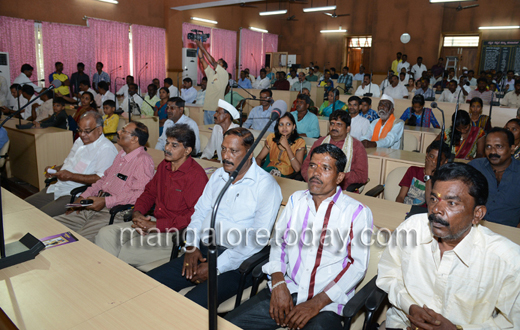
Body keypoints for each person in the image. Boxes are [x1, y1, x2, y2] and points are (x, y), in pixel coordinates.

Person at [226, 143, 372, 330]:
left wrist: (316, 303)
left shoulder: (356, 212)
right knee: (229, 324)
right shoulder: (296, 200)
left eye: (325, 168)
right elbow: (279, 243)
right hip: (289, 289)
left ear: (340, 177)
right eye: (312, 165)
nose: (315, 173)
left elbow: (357, 266)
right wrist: (278, 283)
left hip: (327, 302)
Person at [147, 127, 283, 308]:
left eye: (233, 151)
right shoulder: (219, 175)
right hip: (203, 251)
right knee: (150, 285)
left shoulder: (266, 186)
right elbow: (200, 212)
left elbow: (255, 240)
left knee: (190, 306)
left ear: (250, 153)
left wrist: (215, 267)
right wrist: (191, 245)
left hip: (236, 262)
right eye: (223, 149)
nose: (226, 156)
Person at [377, 162, 520, 330]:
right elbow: (388, 275)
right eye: (433, 199)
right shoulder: (411, 229)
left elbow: (514, 323)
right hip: (404, 323)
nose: (436, 209)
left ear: (477, 214)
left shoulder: (507, 259)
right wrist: (410, 307)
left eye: (451, 203)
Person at [95, 124, 208, 267]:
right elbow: (148, 193)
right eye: (167, 143)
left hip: (175, 232)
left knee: (126, 250)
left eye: (174, 145)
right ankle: (104, 278)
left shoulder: (196, 176)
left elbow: (193, 216)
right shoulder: (164, 166)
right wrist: (137, 213)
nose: (167, 148)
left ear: (187, 150)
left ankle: (113, 280)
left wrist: (156, 226)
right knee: (105, 235)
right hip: (154, 221)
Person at [54, 121, 155, 242]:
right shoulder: (121, 154)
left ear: (134, 139)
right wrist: (83, 197)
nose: (118, 132)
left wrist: (106, 201)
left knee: (76, 241)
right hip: (95, 204)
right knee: (53, 226)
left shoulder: (143, 160)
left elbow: (139, 195)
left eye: (123, 131)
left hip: (114, 212)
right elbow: (103, 181)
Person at [25, 111, 118, 216]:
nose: (82, 135)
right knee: (23, 207)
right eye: (80, 130)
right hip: (59, 186)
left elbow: (101, 179)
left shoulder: (106, 149)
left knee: (39, 217)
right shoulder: (79, 141)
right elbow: (69, 163)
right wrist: (56, 170)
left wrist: (71, 176)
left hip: (75, 194)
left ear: (99, 130)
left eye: (87, 131)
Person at [302, 110, 368, 190]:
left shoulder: (357, 146)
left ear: (348, 129)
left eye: (339, 124)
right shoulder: (320, 142)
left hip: (343, 190)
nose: (334, 127)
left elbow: (361, 175)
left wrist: (334, 177)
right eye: (332, 124)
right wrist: (314, 179)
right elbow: (306, 166)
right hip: (316, 186)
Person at [468, 127, 520, 227]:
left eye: (499, 146)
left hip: (509, 232)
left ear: (512, 149)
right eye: (488, 147)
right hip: (475, 227)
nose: (492, 152)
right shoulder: (475, 167)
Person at [396, 140, 450, 206]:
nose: (433, 161)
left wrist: (428, 173)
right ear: (426, 155)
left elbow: (430, 203)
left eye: (438, 159)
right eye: (431, 156)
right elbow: (401, 197)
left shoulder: (443, 180)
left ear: (445, 161)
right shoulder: (413, 170)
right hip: (407, 208)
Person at [256, 113, 306, 178]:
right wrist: (257, 172)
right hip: (267, 173)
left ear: (293, 126)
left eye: (288, 124)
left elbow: (297, 168)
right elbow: (259, 158)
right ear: (278, 127)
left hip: (286, 177)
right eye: (281, 124)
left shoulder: (299, 142)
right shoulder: (272, 138)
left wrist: (287, 147)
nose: (284, 127)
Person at [195, 39, 229, 125]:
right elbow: (202, 60)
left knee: (216, 131)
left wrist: (203, 47)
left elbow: (213, 62)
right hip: (207, 108)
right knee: (208, 131)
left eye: (219, 63)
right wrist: (198, 47)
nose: (217, 63)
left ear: (224, 67)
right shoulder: (211, 74)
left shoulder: (224, 74)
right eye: (217, 62)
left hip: (216, 109)